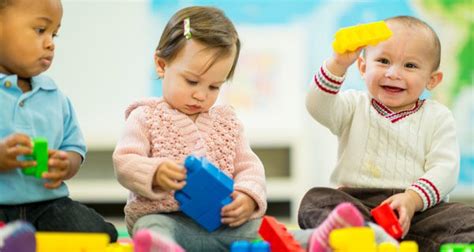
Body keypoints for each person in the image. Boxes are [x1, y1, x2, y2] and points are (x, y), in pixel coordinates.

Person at [113, 6, 367, 252]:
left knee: (265, 232)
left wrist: (246, 196)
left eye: (214, 87)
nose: (201, 95)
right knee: (151, 227)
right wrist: (154, 173)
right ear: (161, 64)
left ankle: (318, 239)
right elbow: (125, 161)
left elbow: (249, 167)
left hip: (223, 226)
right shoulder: (144, 116)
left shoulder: (227, 121)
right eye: (191, 81)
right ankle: (162, 247)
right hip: (166, 220)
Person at [299, 15, 474, 251]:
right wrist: (337, 63)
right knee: (316, 201)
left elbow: (445, 170)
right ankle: (365, 238)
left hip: (419, 211)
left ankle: (379, 241)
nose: (393, 73)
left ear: (432, 80)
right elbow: (317, 105)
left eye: (410, 65)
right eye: (383, 61)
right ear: (362, 67)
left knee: (466, 217)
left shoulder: (438, 116)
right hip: (359, 203)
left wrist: (412, 199)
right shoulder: (353, 105)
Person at [0, 0, 117, 242]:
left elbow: (73, 147)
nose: (50, 43)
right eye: (40, 30)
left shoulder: (54, 95)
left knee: (98, 232)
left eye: (55, 34)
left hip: (47, 205)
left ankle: (15, 241)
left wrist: (66, 164)